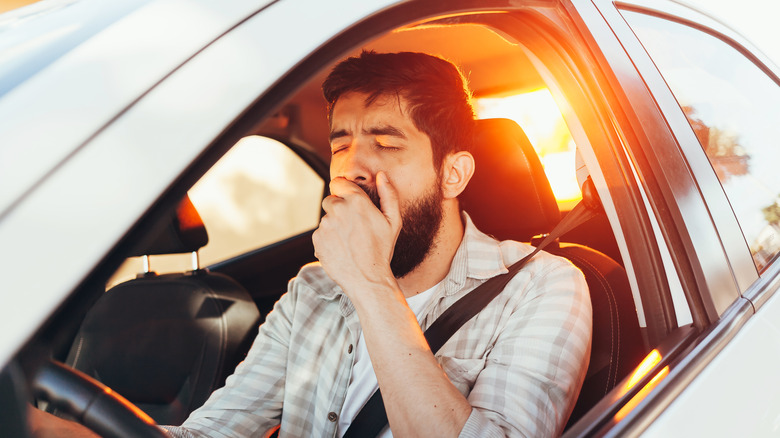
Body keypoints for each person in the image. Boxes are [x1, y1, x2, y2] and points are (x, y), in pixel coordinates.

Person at [29, 51, 591, 437]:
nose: (353, 168)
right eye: (341, 144)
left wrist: (371, 283)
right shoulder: (314, 290)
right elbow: (210, 432)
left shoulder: (543, 286)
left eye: (387, 143)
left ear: (453, 175)